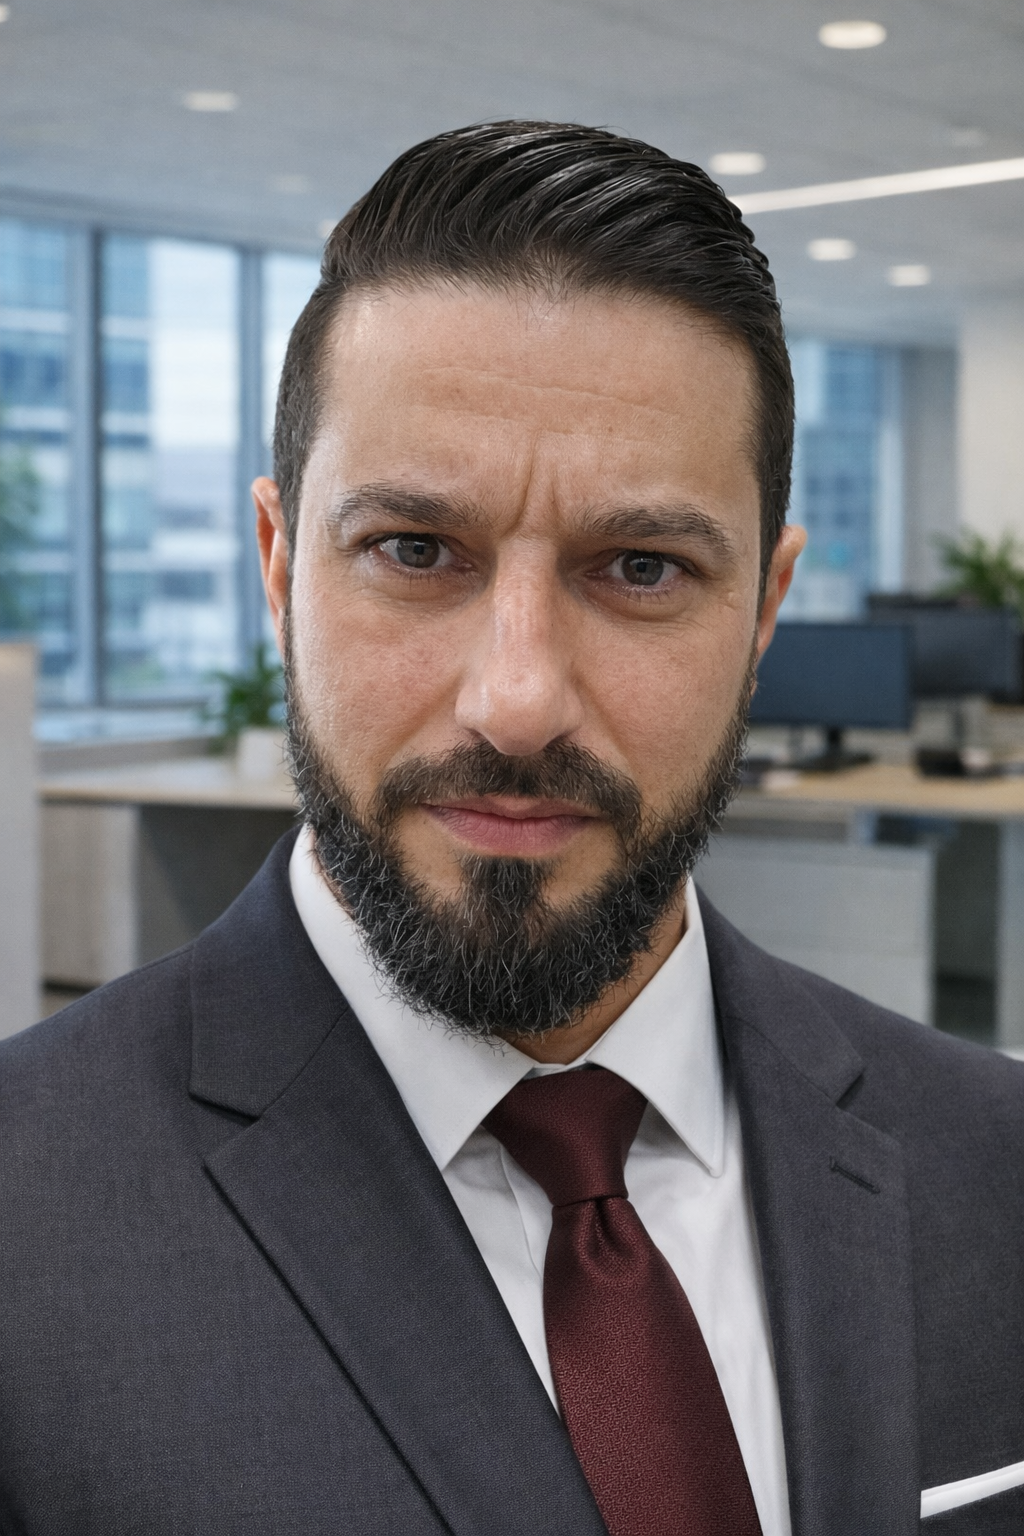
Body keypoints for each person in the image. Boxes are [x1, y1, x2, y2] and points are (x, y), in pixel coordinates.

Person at [1, 122, 1022, 1536]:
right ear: (279, 564)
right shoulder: (23, 1217)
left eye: (644, 566)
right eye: (415, 552)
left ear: (767, 610)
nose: (521, 699)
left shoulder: (999, 1161)